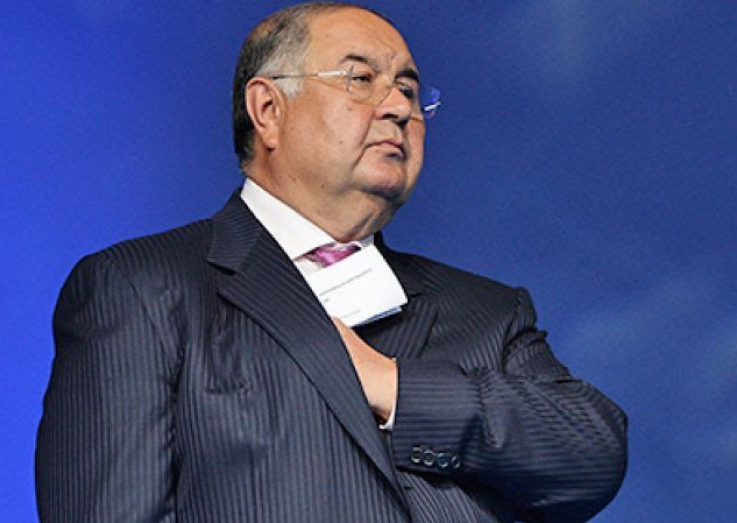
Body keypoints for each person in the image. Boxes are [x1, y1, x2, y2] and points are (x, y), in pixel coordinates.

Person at [35, 3, 627, 522]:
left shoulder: (487, 311)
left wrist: (394, 387)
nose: (397, 107)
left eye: (409, 90)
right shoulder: (141, 287)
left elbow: (591, 454)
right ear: (268, 108)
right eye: (360, 79)